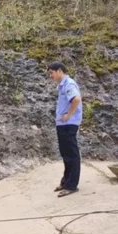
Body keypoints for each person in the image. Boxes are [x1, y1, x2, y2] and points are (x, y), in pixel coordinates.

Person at [47, 62, 83, 198]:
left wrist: (69, 115)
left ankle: (71, 185)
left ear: (60, 70)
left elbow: (76, 99)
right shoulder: (62, 85)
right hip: (63, 125)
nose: (50, 76)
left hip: (69, 124)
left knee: (72, 155)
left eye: (52, 72)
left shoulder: (69, 83)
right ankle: (66, 182)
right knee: (65, 154)